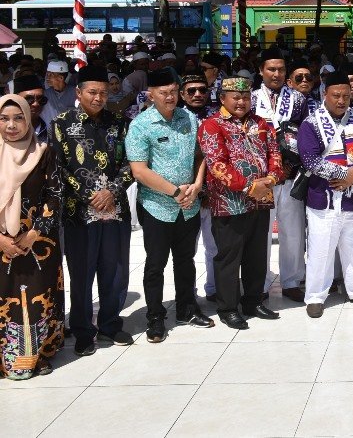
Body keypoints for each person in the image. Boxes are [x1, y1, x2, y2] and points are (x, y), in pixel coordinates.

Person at [51, 64, 134, 356]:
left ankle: (110, 324)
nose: (98, 98)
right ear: (79, 93)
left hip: (115, 209)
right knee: (82, 273)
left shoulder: (121, 123)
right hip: (79, 212)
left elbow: (132, 163)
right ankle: (83, 330)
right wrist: (89, 195)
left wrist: (112, 191)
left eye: (103, 92)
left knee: (115, 270)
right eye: (92, 92)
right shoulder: (62, 124)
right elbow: (59, 167)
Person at [125, 67, 212, 343]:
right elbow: (139, 170)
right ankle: (155, 316)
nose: (171, 97)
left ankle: (187, 308)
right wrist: (174, 192)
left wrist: (197, 185)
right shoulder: (141, 125)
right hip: (157, 206)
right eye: (164, 93)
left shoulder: (189, 118)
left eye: (174, 91)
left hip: (189, 204)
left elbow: (200, 155)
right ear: (150, 94)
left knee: (186, 260)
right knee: (156, 264)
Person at [197, 75, 284, 329]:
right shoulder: (212, 125)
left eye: (246, 97)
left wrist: (271, 178)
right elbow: (217, 164)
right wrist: (249, 186)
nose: (241, 102)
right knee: (229, 257)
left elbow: (274, 154)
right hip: (229, 203)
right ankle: (227, 308)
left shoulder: (261, 123)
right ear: (223, 98)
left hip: (261, 200)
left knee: (257, 254)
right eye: (236, 97)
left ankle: (253, 301)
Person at [298, 69, 353, 317]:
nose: (342, 101)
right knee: (320, 250)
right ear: (325, 94)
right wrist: (345, 175)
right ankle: (315, 296)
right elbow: (310, 160)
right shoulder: (311, 123)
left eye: (346, 96)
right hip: (323, 199)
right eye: (336, 95)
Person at [0, 94, 63, 379]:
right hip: (1, 242)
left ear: (28, 119)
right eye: (4, 119)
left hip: (38, 243)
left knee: (37, 297)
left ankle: (37, 355)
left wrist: (34, 232)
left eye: (18, 118)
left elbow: (55, 195)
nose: (11, 125)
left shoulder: (44, 152)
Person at [252, 47, 308, 303]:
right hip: (262, 178)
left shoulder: (298, 99)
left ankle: (292, 280)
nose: (276, 74)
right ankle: (260, 282)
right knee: (262, 231)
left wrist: (292, 165)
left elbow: (306, 136)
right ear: (261, 71)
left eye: (281, 69)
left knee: (293, 230)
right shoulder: (252, 99)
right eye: (271, 69)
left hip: (290, 174)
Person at [179, 73, 218, 302]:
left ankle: (215, 289)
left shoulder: (218, 116)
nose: (197, 94)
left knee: (215, 246)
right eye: (191, 91)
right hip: (184, 193)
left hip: (214, 192)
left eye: (202, 90)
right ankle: (188, 295)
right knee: (186, 250)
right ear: (182, 94)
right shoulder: (175, 118)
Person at [12, 74, 49, 143]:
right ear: (15, 100)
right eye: (29, 99)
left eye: (40, 99)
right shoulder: (5, 130)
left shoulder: (52, 129)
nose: (35, 104)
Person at [40, 60, 76, 125]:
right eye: (47, 74)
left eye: (51, 75)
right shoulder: (44, 94)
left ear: (61, 78)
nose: (47, 78)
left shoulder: (76, 93)